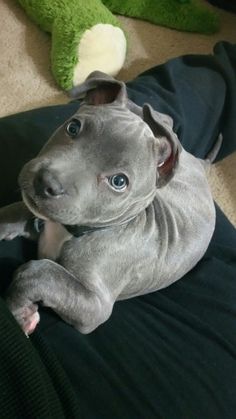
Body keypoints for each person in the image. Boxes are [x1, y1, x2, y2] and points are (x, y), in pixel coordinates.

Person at [0, 41, 236, 419]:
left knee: (150, 126)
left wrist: (36, 279)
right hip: (158, 158)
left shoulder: (110, 250)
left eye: (118, 182)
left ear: (161, 177)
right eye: (74, 128)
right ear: (92, 98)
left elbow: (93, 310)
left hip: (181, 197)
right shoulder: (103, 114)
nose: (55, 174)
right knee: (141, 113)